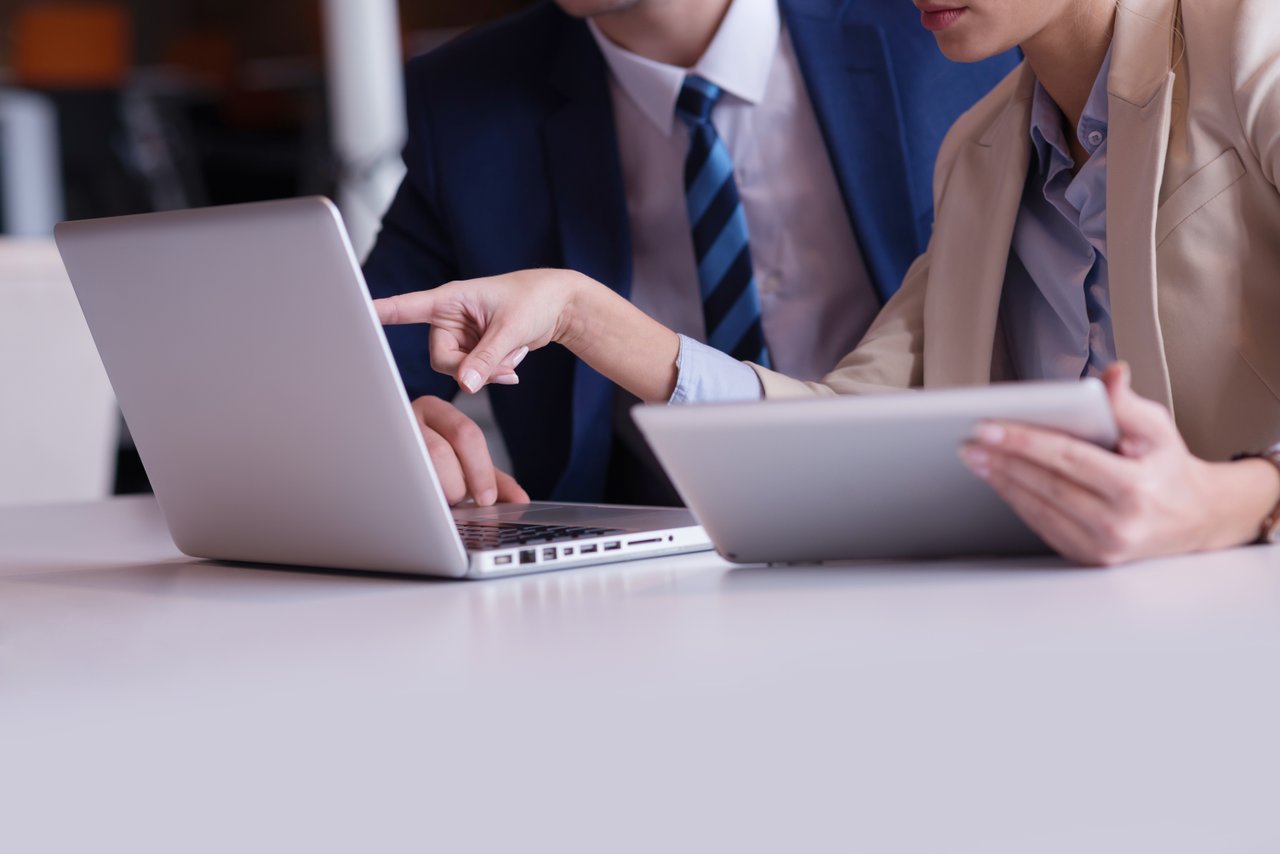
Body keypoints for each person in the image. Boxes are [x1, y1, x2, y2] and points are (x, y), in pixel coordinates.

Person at [373, 0, 1280, 566]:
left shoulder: (1255, 50)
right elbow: (834, 422)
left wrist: (1227, 504)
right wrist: (579, 312)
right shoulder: (981, 156)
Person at [361, 0, 1018, 507]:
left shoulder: (943, 28)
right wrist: (401, 430)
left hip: (930, 510)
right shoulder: (467, 100)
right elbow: (370, 351)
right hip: (652, 561)